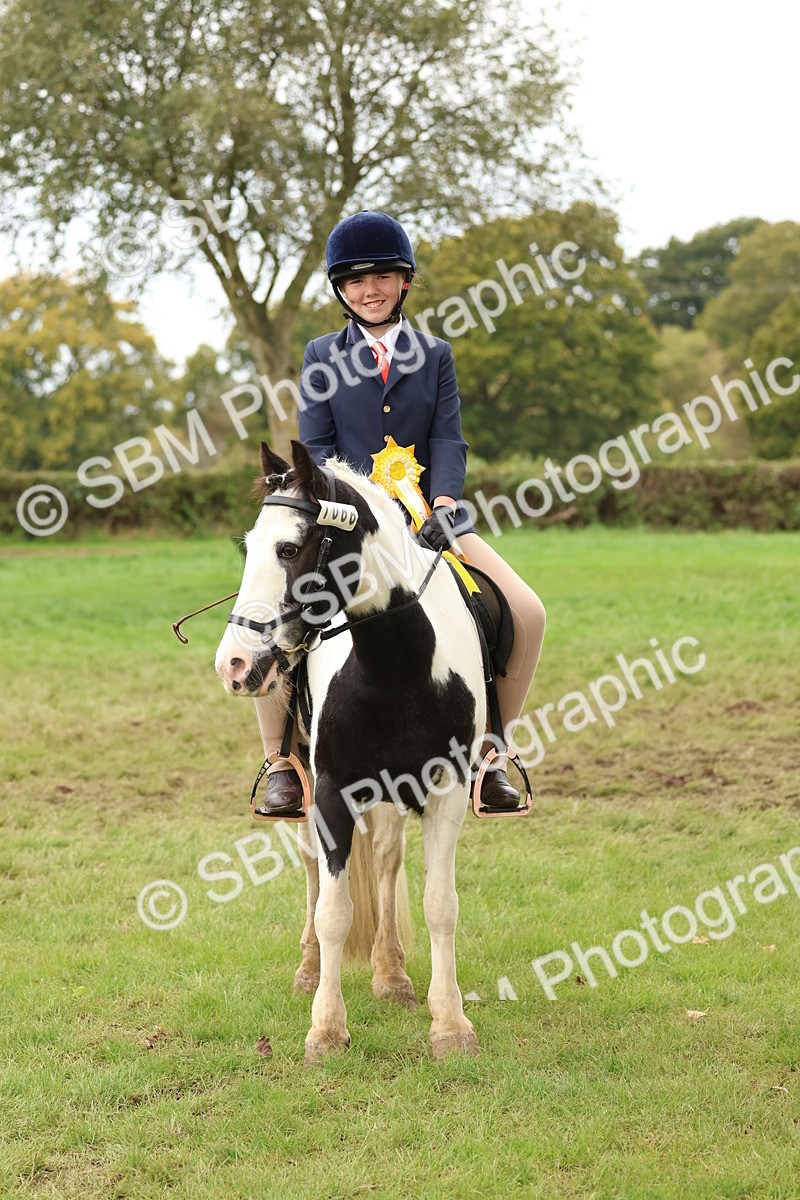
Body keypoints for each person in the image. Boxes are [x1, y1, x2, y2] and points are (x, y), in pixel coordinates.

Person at [255, 210, 546, 814]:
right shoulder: (320, 355)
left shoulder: (434, 354)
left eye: (382, 278)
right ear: (341, 290)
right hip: (347, 524)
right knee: (266, 617)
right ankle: (282, 761)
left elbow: (447, 438)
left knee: (527, 610)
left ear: (405, 281)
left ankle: (492, 756)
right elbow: (318, 448)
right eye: (356, 282)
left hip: (429, 517)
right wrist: (346, 510)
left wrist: (444, 502)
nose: (370, 291)